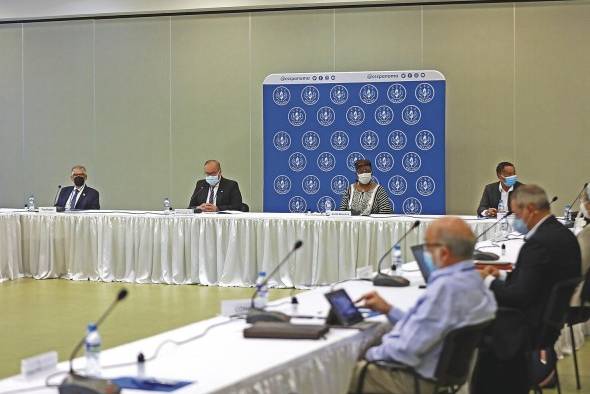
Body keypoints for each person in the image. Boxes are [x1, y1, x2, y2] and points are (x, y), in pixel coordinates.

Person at [349, 217, 497, 394]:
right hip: (448, 380)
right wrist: (389, 310)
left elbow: (405, 351)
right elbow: (428, 326)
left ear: (443, 253)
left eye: (428, 246)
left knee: (350, 371)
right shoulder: (477, 282)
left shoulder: (445, 289)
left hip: (417, 380)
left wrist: (368, 354)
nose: (426, 251)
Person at [473, 185, 581, 393]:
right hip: (549, 319)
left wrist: (486, 281)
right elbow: (535, 280)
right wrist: (502, 275)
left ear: (530, 209)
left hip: (526, 323)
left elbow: (519, 297)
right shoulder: (563, 235)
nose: (515, 218)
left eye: (516, 212)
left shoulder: (538, 243)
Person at [571, 184, 590, 305]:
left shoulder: (587, 234)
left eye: (582, 201)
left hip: (583, 303)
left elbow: (578, 269)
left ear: (588, 205)